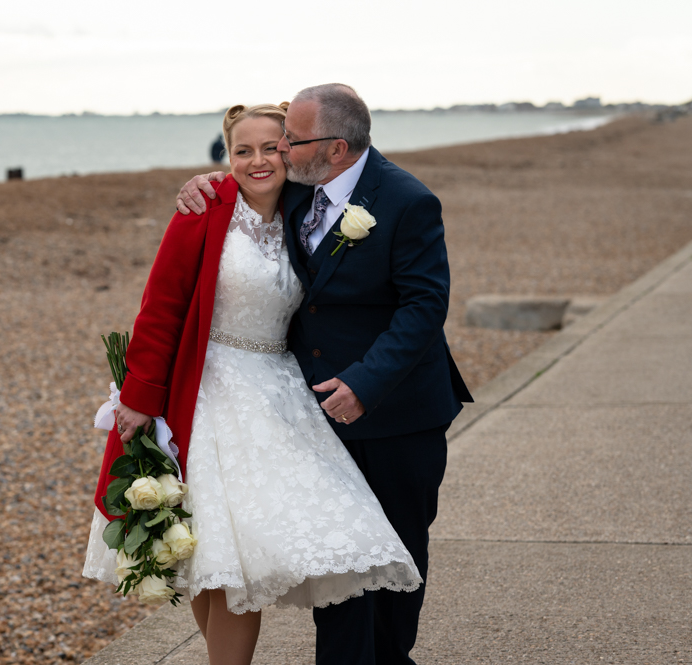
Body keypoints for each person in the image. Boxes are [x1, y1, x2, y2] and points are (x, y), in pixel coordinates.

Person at [83, 102, 423, 665]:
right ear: (226, 157)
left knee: (260, 551)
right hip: (208, 392)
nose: (258, 160)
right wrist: (140, 398)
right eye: (243, 150)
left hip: (281, 394)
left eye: (272, 147)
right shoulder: (205, 208)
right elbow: (161, 307)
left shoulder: (307, 210)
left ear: (292, 151)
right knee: (216, 562)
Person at [175, 83, 473, 665]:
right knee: (339, 557)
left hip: (397, 411)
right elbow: (243, 186)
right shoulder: (293, 189)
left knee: (394, 555)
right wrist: (201, 182)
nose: (279, 148)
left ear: (335, 148)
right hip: (311, 410)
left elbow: (423, 307)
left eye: (291, 139)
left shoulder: (407, 201)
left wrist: (365, 383)